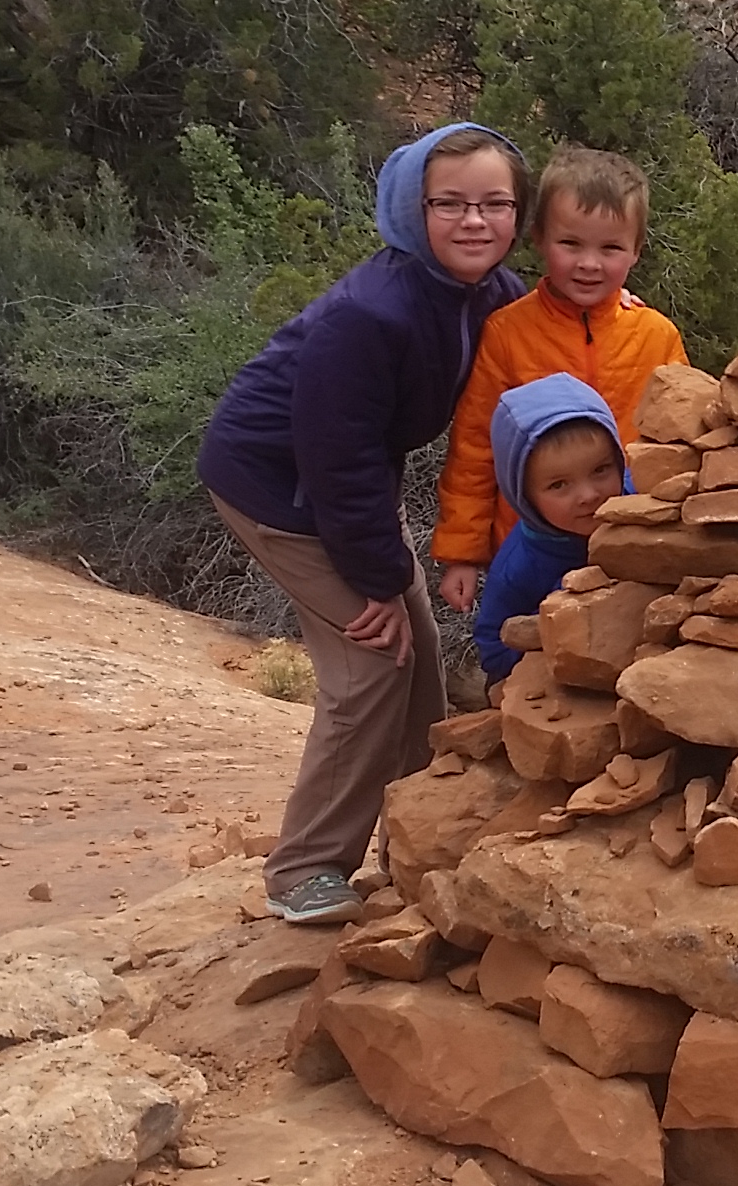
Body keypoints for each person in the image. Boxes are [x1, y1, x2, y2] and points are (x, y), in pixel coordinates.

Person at [195, 122, 529, 924]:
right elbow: (332, 458)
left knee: (417, 664)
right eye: (449, 204)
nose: (474, 221)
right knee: (373, 662)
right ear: (412, 211)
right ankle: (305, 871)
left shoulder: (490, 293)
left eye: (495, 203)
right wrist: (373, 581)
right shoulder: (370, 315)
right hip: (279, 488)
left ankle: (420, 836)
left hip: (346, 488)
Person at [431, 146, 686, 615]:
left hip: (630, 544)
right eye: (571, 244)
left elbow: (683, 443)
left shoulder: (656, 335)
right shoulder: (509, 333)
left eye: (610, 248)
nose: (589, 263)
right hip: (532, 549)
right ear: (540, 239)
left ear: (636, 251)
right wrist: (461, 553)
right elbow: (474, 448)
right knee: (526, 658)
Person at [467, 374, 628, 689]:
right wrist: (554, 637)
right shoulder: (519, 566)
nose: (588, 495)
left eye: (600, 470)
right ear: (523, 496)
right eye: (559, 485)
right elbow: (493, 646)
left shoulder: (639, 503)